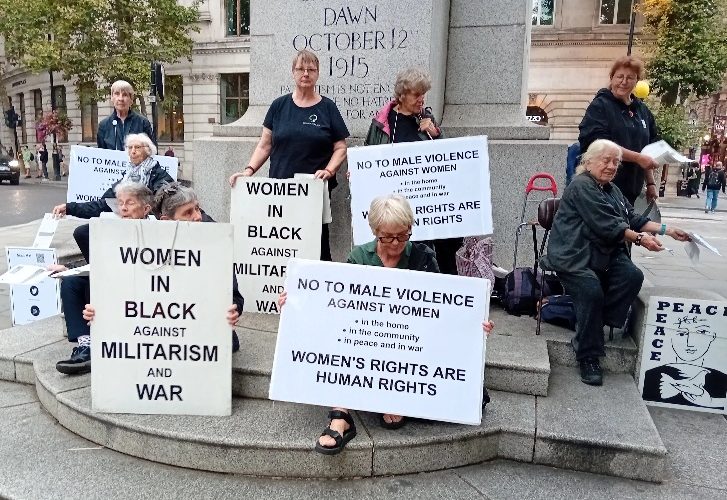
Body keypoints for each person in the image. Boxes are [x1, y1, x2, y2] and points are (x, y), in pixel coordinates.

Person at [279, 194, 494, 455]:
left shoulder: (424, 256)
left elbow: (443, 312)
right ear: (374, 231)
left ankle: (396, 396)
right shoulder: (359, 256)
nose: (396, 244)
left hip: (411, 343)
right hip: (366, 341)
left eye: (403, 235)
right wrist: (299, 303)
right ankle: (341, 415)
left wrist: (474, 323)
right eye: (387, 237)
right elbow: (337, 309)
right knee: (342, 344)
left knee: (474, 398)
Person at [544, 139, 691, 386]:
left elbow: (632, 218)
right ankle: (588, 354)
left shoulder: (611, 189)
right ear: (588, 161)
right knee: (591, 290)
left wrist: (668, 229)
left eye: (616, 161)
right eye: (606, 160)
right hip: (574, 254)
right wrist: (641, 239)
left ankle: (591, 322)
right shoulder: (581, 185)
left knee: (632, 276)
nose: (612, 166)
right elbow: (607, 223)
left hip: (602, 253)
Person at [228, 49, 349, 261]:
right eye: (301, 69)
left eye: (311, 69)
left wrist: (329, 171)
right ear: (293, 72)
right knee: (281, 247)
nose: (306, 73)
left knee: (316, 248)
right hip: (280, 193)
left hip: (313, 193)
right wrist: (248, 171)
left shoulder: (327, 107)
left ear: (317, 74)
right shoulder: (279, 106)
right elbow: (265, 145)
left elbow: (340, 147)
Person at [364, 67, 461, 275]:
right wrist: (359, 172)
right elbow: (368, 155)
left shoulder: (427, 119)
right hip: (396, 208)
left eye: (423, 94)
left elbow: (446, 162)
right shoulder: (383, 121)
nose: (421, 100)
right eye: (417, 94)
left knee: (429, 256)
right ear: (402, 95)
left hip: (426, 206)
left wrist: (436, 134)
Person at [54, 182, 155, 374]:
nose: (123, 208)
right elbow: (98, 262)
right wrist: (68, 268)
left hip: (140, 287)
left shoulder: (156, 231)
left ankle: (106, 340)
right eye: (120, 203)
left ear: (146, 208)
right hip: (113, 279)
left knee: (95, 283)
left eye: (130, 203)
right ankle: (86, 346)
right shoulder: (114, 229)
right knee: (71, 282)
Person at [51, 133, 173, 262]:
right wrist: (70, 208)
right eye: (129, 147)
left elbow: (168, 204)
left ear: (148, 150)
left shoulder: (159, 176)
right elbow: (102, 205)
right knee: (83, 233)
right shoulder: (126, 176)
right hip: (124, 223)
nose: (133, 151)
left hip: (147, 226)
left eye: (137, 147)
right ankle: (99, 269)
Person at [153, 182, 244, 352]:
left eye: (197, 208)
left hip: (208, 340)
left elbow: (234, 296)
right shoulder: (143, 247)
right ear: (166, 221)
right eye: (188, 212)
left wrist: (232, 310)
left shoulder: (217, 242)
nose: (198, 217)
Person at [579, 56, 660, 206]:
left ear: (637, 81)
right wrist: (637, 158)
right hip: (602, 187)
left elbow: (647, 149)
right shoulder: (600, 105)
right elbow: (600, 144)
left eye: (630, 78)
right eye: (620, 77)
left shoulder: (642, 110)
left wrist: (651, 183)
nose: (624, 82)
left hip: (632, 189)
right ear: (612, 78)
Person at [97, 80, 154, 151]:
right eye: (117, 94)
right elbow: (101, 155)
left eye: (125, 95)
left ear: (131, 99)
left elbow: (151, 152)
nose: (120, 99)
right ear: (112, 97)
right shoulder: (104, 125)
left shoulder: (142, 123)